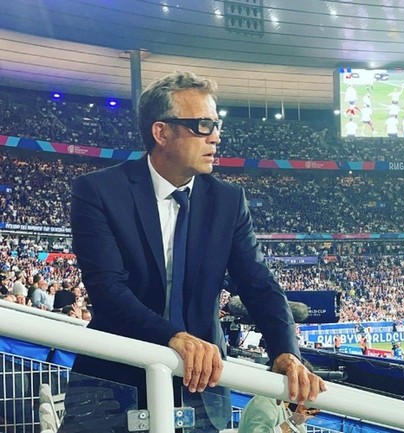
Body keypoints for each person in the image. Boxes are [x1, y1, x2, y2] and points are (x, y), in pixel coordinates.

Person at [64, 70, 325, 432]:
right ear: (162, 132)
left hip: (201, 388)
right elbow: (107, 289)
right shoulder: (98, 191)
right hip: (113, 382)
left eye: (216, 125)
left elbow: (259, 285)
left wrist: (285, 353)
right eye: (202, 126)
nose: (216, 138)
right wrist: (172, 337)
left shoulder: (229, 201)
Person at [238, 360, 320, 433]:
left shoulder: (284, 408)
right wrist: (293, 421)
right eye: (303, 383)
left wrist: (300, 416)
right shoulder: (266, 401)